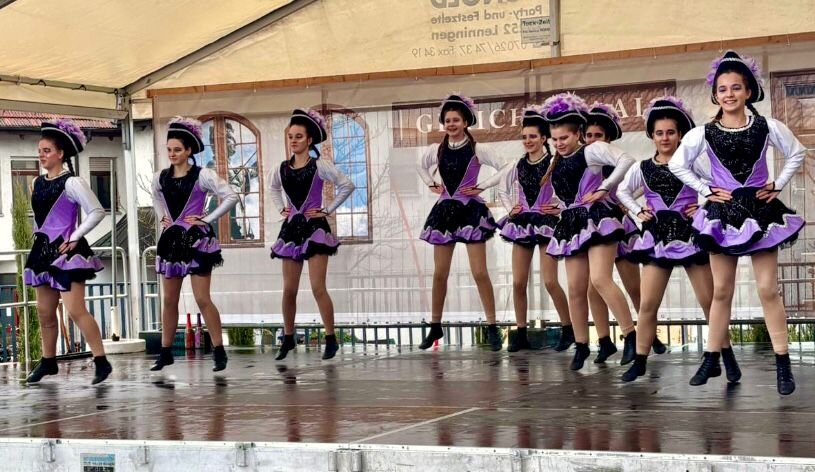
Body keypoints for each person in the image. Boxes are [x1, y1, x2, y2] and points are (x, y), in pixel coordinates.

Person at [669, 51, 806, 395]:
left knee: (767, 288)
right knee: (721, 291)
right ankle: (711, 357)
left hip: (761, 212)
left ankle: (783, 362)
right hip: (723, 215)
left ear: (748, 92)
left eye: (735, 88)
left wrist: (778, 184)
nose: (729, 94)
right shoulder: (702, 133)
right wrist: (706, 190)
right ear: (715, 95)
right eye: (722, 89)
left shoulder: (767, 126)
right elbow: (677, 164)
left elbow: (797, 152)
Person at [542, 93, 638, 370]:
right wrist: (560, 207)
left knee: (600, 279)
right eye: (555, 139)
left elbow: (627, 160)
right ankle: (582, 344)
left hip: (598, 219)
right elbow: (568, 193)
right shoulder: (556, 161)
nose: (559, 143)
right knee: (575, 288)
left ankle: (630, 335)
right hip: (572, 222)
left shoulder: (592, 151)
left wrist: (604, 188)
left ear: (578, 134)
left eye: (564, 138)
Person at [24, 119, 111, 385]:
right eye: (40, 151)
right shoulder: (37, 182)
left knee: (75, 310)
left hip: (67, 253)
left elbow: (96, 211)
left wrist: (75, 236)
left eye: (47, 150)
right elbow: (41, 217)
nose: (41, 155)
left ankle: (101, 361)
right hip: (43, 252)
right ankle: (48, 361)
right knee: (45, 312)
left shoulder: (72, 182)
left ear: (60, 153)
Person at [417, 94, 505, 351]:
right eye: (448, 120)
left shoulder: (478, 149)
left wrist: (482, 186)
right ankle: (435, 325)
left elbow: (506, 167)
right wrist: (431, 183)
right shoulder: (437, 149)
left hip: (470, 211)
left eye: (456, 120)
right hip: (444, 211)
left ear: (466, 122)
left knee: (479, 272)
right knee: (439, 274)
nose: (451, 124)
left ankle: (492, 326)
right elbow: (420, 166)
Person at [151, 116, 239, 372]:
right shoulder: (160, 178)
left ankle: (219, 350)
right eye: (169, 149)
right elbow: (155, 196)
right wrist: (162, 217)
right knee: (169, 300)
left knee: (202, 298)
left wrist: (206, 219)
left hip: (197, 241)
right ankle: (165, 352)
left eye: (177, 149)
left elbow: (231, 196)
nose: (172, 154)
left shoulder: (203, 176)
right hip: (171, 241)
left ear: (189, 150)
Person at [269, 108, 355, 360]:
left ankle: (331, 338)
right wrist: (281, 208)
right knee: (289, 290)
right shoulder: (281, 169)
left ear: (309, 140)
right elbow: (273, 189)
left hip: (315, 229)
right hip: (291, 230)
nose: (293, 140)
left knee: (318, 287)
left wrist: (327, 209)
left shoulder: (319, 165)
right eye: (291, 136)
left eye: (299, 136)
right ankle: (288, 337)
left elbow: (347, 185)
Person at [496, 106, 571, 352]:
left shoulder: (554, 162)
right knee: (518, 282)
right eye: (525, 137)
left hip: (546, 224)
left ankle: (568, 329)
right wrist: (511, 209)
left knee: (550, 281)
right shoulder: (517, 165)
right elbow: (503, 189)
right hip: (522, 223)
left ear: (543, 138)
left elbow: (569, 191)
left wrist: (559, 208)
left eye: (533, 136)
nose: (528, 141)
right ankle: (520, 333)